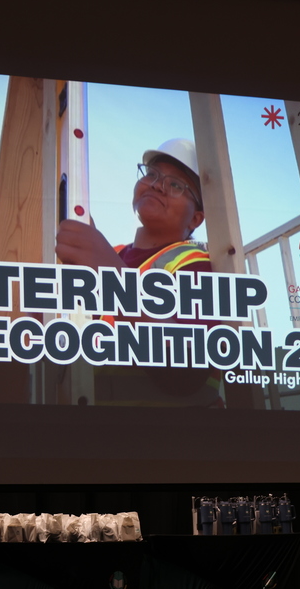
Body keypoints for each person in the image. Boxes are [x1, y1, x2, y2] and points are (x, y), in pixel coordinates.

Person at [55, 138, 221, 407]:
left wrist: (114, 280)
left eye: (176, 185)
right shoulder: (116, 254)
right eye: (152, 174)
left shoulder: (197, 261)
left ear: (195, 219)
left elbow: (187, 373)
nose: (156, 184)